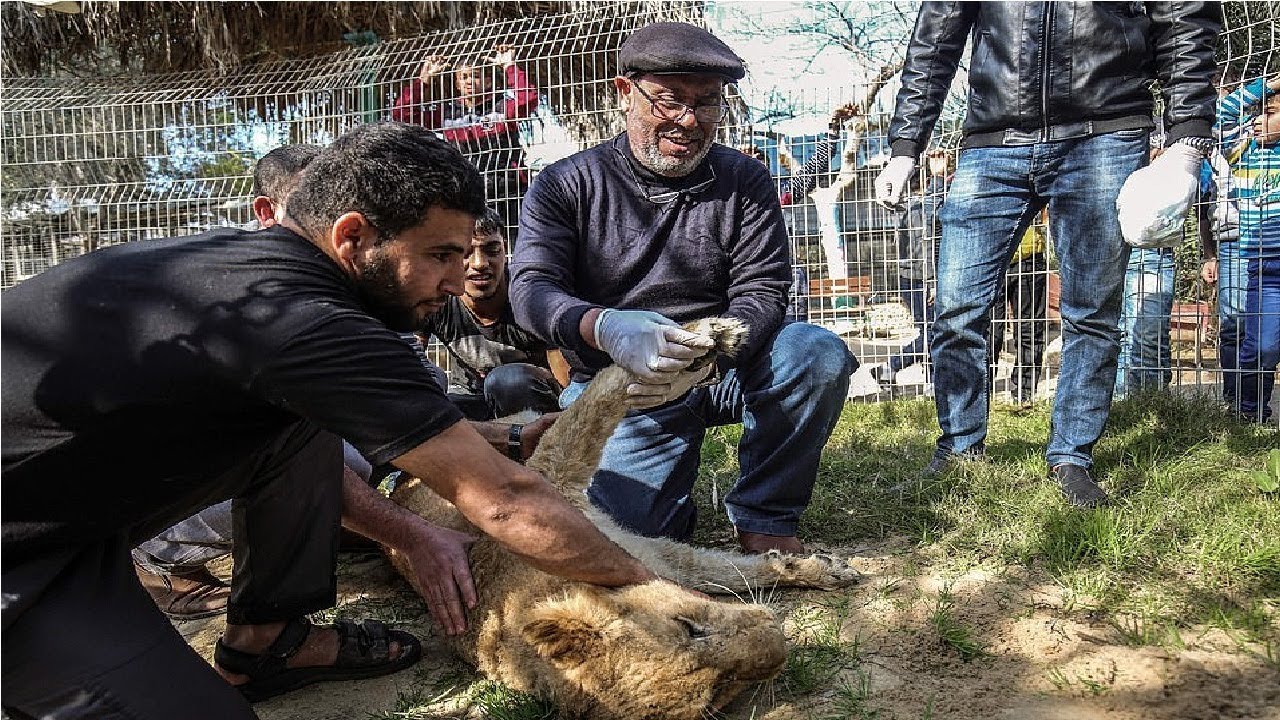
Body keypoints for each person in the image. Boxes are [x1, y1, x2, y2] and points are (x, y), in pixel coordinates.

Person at [2, 123, 665, 720]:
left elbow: (369, 436)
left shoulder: (243, 276)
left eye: (467, 253)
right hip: (20, 563)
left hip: (70, 518)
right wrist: (653, 587)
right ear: (352, 237)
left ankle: (264, 643)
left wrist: (431, 510)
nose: (461, 278)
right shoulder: (308, 324)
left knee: (296, 430)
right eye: (440, 255)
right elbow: (508, 503)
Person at [509, 22, 857, 555]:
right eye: (670, 101)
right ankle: (667, 491)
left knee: (814, 353)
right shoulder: (564, 183)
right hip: (620, 383)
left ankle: (765, 513)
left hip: (722, 366)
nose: (689, 121)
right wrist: (602, 326)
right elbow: (532, 289)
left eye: (708, 103)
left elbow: (763, 289)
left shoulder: (744, 180)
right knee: (632, 538)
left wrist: (708, 358)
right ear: (626, 92)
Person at [875, 2, 1220, 507]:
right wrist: (906, 143)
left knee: (1091, 311)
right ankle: (958, 450)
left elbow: (1185, 17)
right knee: (955, 306)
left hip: (1106, 129)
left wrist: (1188, 136)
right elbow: (936, 37)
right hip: (993, 139)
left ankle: (1071, 458)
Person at [416, 206, 563, 420]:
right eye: (467, 252)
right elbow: (410, 356)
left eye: (492, 250)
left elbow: (567, 384)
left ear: (505, 250)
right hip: (473, 399)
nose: (480, 264)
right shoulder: (437, 297)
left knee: (506, 380)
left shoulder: (531, 293)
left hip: (537, 407)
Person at [391, 44, 538, 233]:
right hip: (466, 193)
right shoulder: (447, 113)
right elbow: (403, 116)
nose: (470, 82)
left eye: (476, 76)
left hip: (507, 190)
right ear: (457, 84)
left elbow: (528, 98)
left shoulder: (502, 107)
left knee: (513, 245)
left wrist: (510, 66)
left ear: (488, 81)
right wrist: (424, 79)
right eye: (464, 77)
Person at [1217, 75, 1280, 422]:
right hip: (1266, 265)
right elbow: (1218, 116)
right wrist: (1267, 87)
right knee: (1262, 347)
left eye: (1268, 113)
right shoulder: (1242, 151)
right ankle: (1249, 413)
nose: (1257, 120)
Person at [874, 147, 950, 392]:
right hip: (923, 278)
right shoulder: (921, 205)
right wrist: (933, 281)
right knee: (933, 333)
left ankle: (930, 381)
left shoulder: (900, 203)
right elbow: (927, 244)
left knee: (931, 330)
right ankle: (892, 366)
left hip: (911, 276)